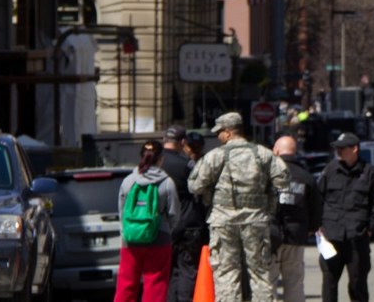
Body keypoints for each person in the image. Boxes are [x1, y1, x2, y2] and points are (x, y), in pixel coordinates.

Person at [188, 112, 291, 302]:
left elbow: (195, 185)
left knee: (227, 273)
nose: (218, 136)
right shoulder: (263, 153)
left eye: (219, 132)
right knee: (260, 273)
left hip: (223, 221)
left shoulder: (215, 156)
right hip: (256, 220)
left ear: (228, 132)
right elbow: (283, 180)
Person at [316, 132, 374, 302]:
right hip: (331, 237)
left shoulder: (369, 173)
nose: (338, 152)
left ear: (354, 149)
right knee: (329, 283)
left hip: (357, 238)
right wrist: (317, 225)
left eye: (342, 148)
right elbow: (317, 198)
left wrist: (371, 229)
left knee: (357, 284)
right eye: (337, 148)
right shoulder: (330, 170)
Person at [115, 140, 180, 302]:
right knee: (155, 284)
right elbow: (174, 214)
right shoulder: (166, 183)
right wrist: (167, 230)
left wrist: (125, 233)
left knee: (126, 284)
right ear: (161, 159)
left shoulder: (128, 181)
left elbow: (122, 211)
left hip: (131, 238)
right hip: (160, 238)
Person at [271, 135, 321, 302]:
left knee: (268, 282)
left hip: (270, 236)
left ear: (276, 151)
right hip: (296, 236)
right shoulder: (306, 177)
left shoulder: (266, 174)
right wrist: (309, 229)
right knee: (294, 283)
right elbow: (316, 209)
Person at [159, 126, 199, 302]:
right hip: (185, 224)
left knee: (166, 271)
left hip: (159, 226)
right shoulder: (186, 165)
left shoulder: (154, 163)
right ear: (183, 142)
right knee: (186, 269)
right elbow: (200, 191)